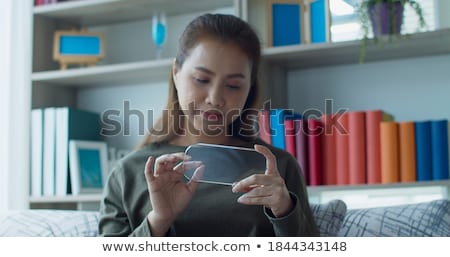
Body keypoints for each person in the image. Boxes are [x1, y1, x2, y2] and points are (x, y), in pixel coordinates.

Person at [98, 13, 318, 237]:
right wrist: (158, 221)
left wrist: (285, 214)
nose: (215, 98)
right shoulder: (128, 173)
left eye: (233, 85)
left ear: (249, 88)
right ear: (176, 73)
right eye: (202, 80)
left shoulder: (278, 168)